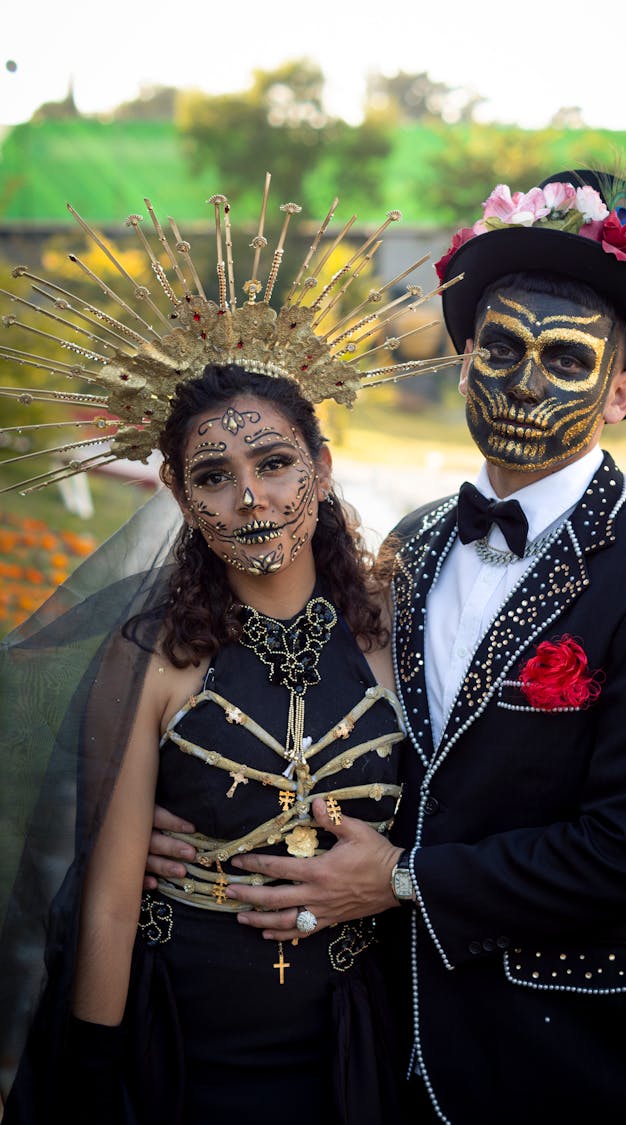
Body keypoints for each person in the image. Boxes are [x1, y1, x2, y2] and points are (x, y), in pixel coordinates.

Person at [144, 167, 626, 1124]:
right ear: (462, 360)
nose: (524, 382)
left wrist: (401, 877)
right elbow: (350, 723)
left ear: (622, 391)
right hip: (393, 1049)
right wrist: (186, 819)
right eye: (499, 348)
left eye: (568, 361)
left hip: (576, 1064)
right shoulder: (415, 543)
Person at [0, 189, 457, 1124]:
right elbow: (112, 901)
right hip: (182, 1042)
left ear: (321, 467)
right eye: (214, 475)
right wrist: (90, 1080)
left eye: (275, 462)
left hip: (347, 1040)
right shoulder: (156, 656)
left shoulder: (393, 638)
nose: (250, 497)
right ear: (177, 489)